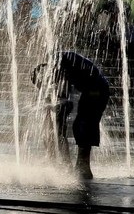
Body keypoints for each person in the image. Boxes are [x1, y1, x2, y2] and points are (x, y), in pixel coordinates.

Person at [31, 51, 110, 179]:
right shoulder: (62, 61)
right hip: (94, 89)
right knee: (79, 126)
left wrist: (54, 106)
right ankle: (80, 166)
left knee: (84, 125)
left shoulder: (61, 64)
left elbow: (63, 98)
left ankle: (82, 167)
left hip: (97, 90)